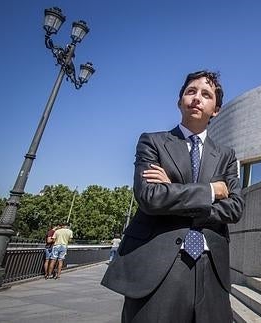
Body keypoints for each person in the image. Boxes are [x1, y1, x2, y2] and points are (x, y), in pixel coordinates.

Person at [101, 70, 244, 322]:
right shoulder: (153, 142)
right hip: (157, 267)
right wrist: (212, 191)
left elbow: (234, 209)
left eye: (206, 94)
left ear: (216, 110)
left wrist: (173, 190)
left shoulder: (226, 155)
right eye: (191, 92)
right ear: (180, 102)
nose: (197, 98)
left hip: (212, 269)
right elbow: (150, 197)